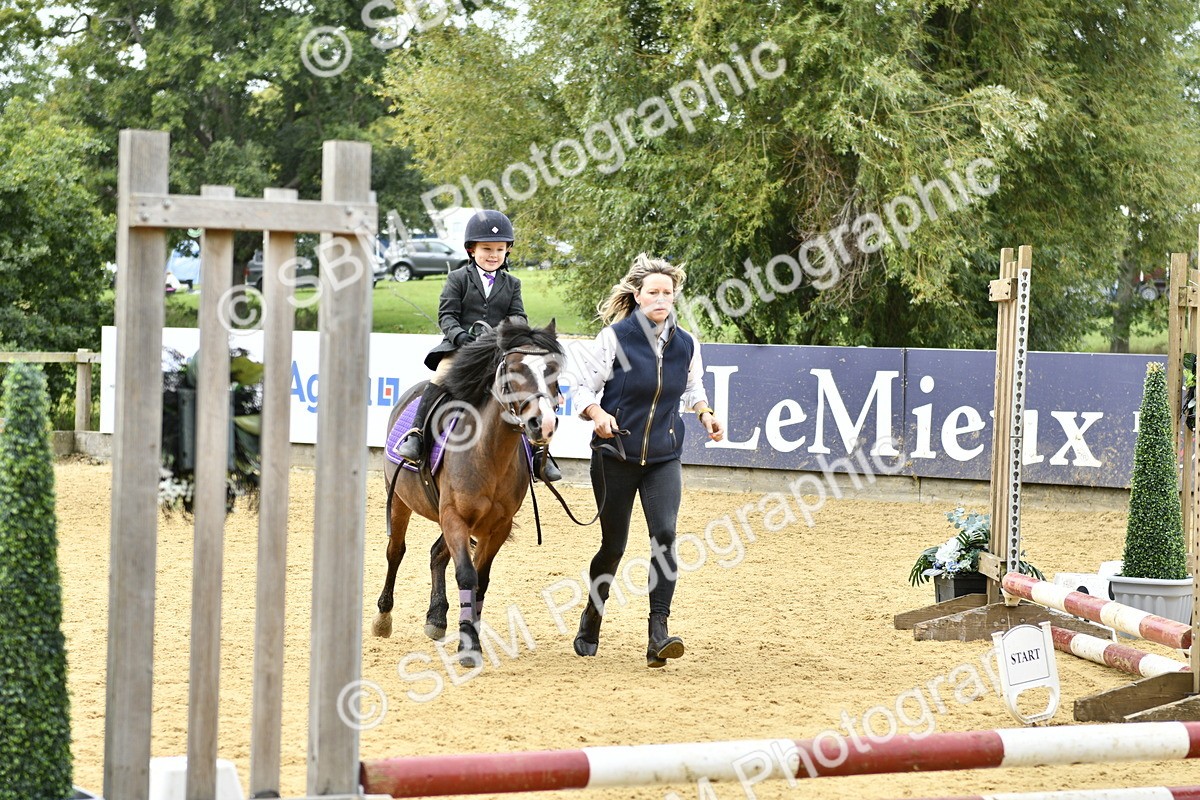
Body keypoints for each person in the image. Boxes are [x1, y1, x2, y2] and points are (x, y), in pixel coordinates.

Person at [571, 253, 724, 667]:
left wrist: (706, 413)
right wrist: (598, 415)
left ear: (674, 298)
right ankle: (592, 615)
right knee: (613, 546)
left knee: (665, 537)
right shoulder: (615, 339)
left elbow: (692, 389)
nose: (661, 299)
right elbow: (581, 388)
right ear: (638, 296)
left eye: (667, 293)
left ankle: (658, 632)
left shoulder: (687, 343)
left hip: (663, 456)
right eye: (653, 292)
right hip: (615, 455)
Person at [394, 209, 562, 482]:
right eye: (487, 249)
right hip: (460, 349)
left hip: (498, 352)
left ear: (507, 250)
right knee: (439, 378)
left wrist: (503, 335)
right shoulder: (458, 278)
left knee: (528, 390)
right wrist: (461, 337)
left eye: (499, 249)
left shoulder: (512, 283)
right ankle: (417, 435)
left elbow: (519, 315)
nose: (493, 255)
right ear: (472, 250)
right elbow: (446, 315)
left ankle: (539, 455)